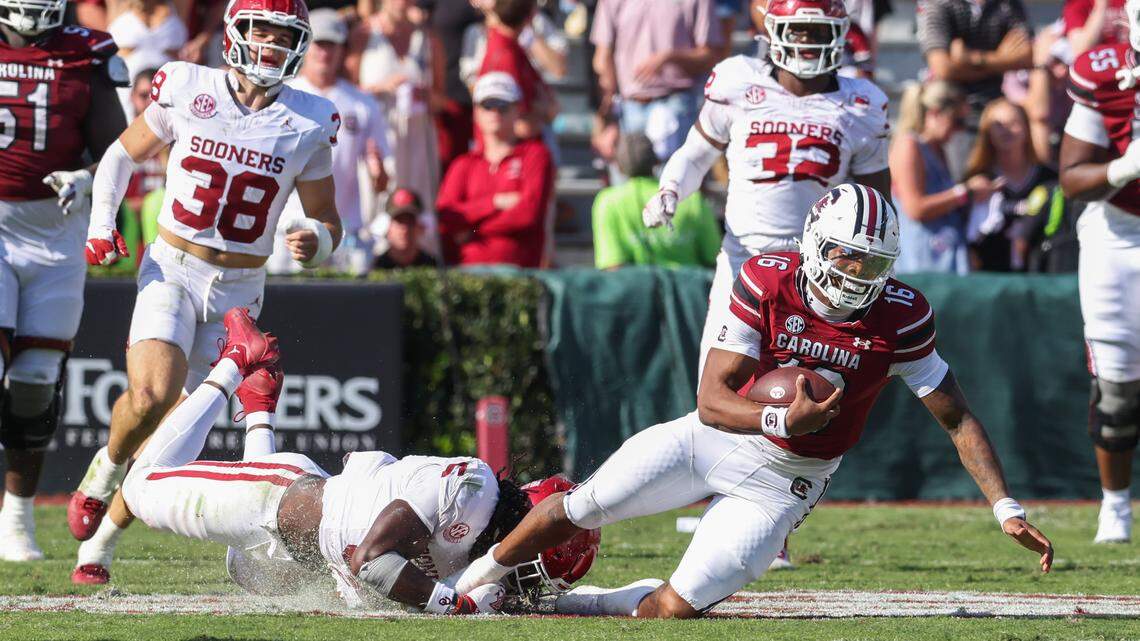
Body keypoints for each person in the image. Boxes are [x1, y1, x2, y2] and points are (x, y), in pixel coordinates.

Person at [452, 184, 1055, 619]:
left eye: (872, 262)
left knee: (673, 610)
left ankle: (567, 606)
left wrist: (1005, 506)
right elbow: (713, 400)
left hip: (790, 478)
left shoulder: (901, 316)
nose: (857, 271)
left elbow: (956, 417)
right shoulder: (769, 278)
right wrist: (778, 416)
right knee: (582, 506)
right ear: (816, 242)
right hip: (715, 436)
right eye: (847, 254)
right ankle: (474, 582)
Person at [66, 0, 344, 585]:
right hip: (172, 266)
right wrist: (100, 225)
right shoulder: (189, 84)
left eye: (282, 36)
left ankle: (103, 544)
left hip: (241, 289)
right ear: (235, 34)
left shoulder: (311, 118)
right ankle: (102, 470)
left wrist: (315, 240)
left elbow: (328, 220)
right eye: (260, 32)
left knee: (177, 436)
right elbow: (121, 154)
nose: (270, 46)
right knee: (150, 394)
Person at [120, 307, 598, 611]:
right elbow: (370, 560)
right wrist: (455, 605)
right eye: (536, 565)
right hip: (276, 502)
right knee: (137, 487)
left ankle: (258, 404)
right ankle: (235, 363)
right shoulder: (471, 489)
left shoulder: (477, 542)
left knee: (243, 571)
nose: (526, 583)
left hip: (301, 549)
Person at [0, 2, 129, 561]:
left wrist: (86, 175)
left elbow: (120, 151)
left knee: (33, 384)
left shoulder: (87, 50)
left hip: (57, 232)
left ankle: (17, 518)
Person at [1059, 0, 1140, 544]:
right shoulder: (1105, 72)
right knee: (1116, 389)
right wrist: (1126, 165)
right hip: (1119, 233)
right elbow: (1071, 177)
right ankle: (1116, 505)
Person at [270, 8, 389, 276]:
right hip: (286, 229)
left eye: (332, 46)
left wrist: (378, 173)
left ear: (343, 50)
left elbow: (382, 182)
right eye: (319, 45)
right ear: (306, 47)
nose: (325, 53)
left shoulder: (363, 104)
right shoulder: (282, 96)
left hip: (344, 230)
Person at [436, 73, 553, 267]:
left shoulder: (535, 155)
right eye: (487, 105)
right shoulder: (464, 164)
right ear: (476, 112)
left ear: (517, 109)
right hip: (468, 273)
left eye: (503, 106)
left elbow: (528, 214)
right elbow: (447, 216)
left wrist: (473, 231)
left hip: (519, 272)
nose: (495, 113)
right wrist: (495, 202)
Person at [889, 80, 999, 274]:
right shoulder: (909, 145)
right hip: (920, 265)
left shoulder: (938, 149)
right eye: (957, 121)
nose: (960, 130)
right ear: (934, 113)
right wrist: (966, 192)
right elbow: (915, 208)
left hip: (947, 262)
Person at [590, 0, 722, 161]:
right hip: (629, 108)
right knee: (627, 184)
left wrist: (670, 57)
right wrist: (608, 118)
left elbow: (710, 55)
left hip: (677, 104)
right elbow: (602, 57)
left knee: (673, 182)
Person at [349, 0, 442, 213]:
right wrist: (382, 88)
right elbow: (346, 93)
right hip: (377, 138)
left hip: (417, 139)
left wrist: (424, 95)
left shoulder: (428, 38)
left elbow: (441, 100)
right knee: (375, 205)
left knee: (420, 207)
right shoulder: (363, 34)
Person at [592, 133, 720, 269]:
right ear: (656, 162)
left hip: (636, 289)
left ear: (618, 166)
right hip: (691, 289)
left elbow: (613, 267)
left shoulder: (607, 202)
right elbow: (713, 259)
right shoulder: (692, 198)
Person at [963, 98, 1059, 272]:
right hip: (991, 279)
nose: (1006, 131)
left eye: (1014, 123)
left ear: (1026, 128)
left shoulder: (1050, 178)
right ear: (987, 133)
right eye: (998, 125)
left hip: (1042, 276)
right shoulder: (977, 181)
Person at [916, 0, 1034, 121]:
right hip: (950, 105)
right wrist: (1003, 60)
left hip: (996, 101)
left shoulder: (1009, 4)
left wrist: (971, 59)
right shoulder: (936, 3)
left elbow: (1027, 57)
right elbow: (943, 69)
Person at [476, 0, 557, 141]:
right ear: (531, 15)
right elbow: (516, 126)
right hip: (514, 154)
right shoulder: (503, 55)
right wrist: (546, 112)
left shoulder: (513, 47)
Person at [373, 187, 439, 269]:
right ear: (387, 227)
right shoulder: (377, 269)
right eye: (399, 221)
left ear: (421, 227)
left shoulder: (434, 267)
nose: (405, 228)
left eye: (410, 221)